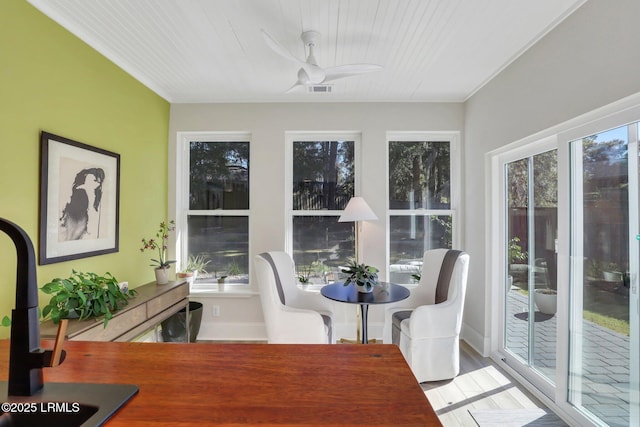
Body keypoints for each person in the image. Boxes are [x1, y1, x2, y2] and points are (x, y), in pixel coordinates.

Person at [59, 168, 105, 241]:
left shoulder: (92, 193)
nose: (96, 184)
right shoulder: (80, 191)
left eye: (97, 182)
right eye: (95, 181)